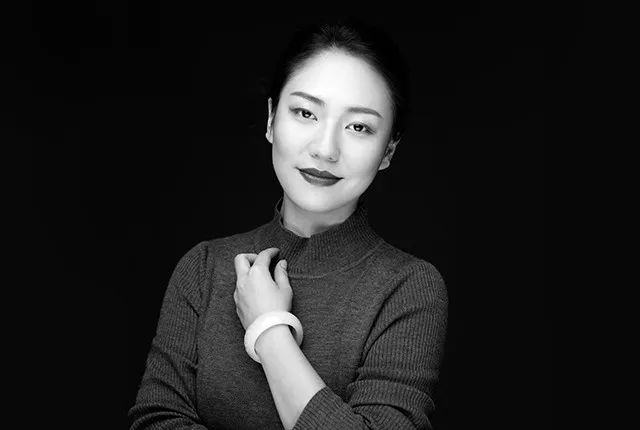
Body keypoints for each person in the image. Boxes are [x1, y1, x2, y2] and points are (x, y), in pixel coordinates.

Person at [129, 16, 448, 430]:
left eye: (358, 126)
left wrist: (269, 329)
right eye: (305, 112)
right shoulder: (204, 269)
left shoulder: (408, 288)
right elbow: (154, 421)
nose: (325, 149)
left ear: (388, 150)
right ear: (270, 119)